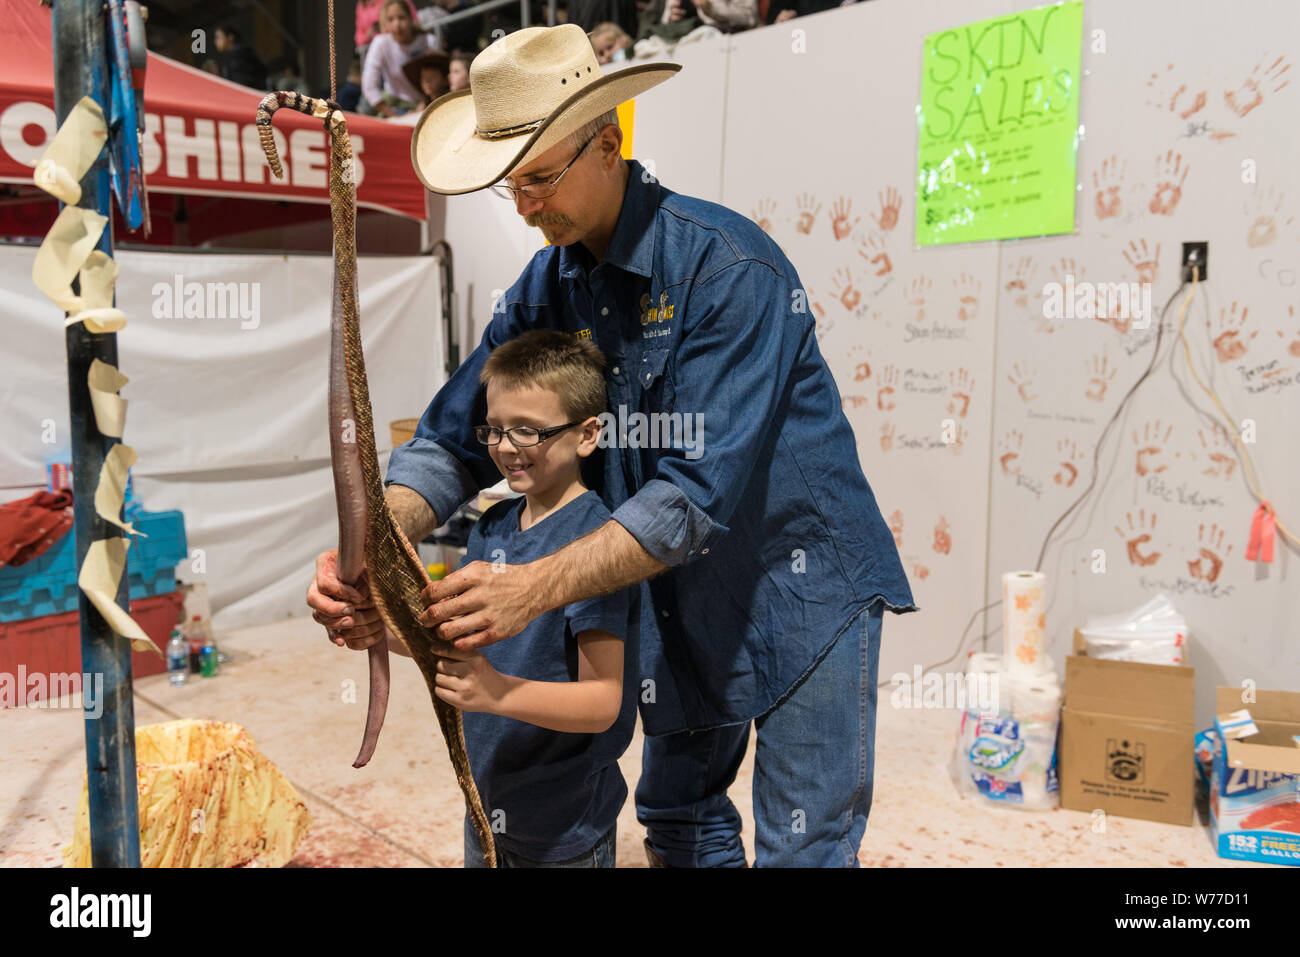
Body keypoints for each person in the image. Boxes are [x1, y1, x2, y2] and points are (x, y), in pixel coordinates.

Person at [308, 24, 915, 868]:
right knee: (681, 817)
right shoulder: (546, 287)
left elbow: (692, 496)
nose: (525, 207)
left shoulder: (728, 270)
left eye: (540, 179)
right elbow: (455, 437)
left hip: (797, 583)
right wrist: (379, 539)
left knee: (801, 846)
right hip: (676, 588)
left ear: (608, 141)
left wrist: (534, 586)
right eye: (508, 188)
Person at [397, 329, 635, 867]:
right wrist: (376, 627)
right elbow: (450, 635)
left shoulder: (596, 545)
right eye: (495, 429)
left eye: (527, 430)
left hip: (564, 829)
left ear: (587, 434)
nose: (505, 447)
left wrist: (496, 691)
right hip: (485, 803)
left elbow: (603, 702)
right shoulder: (494, 522)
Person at [362, 0, 442, 117]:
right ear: (385, 24)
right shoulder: (381, 43)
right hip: (396, 108)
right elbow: (369, 86)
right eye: (390, 19)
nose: (397, 25)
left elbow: (439, 79)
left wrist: (423, 104)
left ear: (411, 18)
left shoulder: (428, 41)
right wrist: (395, 117)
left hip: (428, 105)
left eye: (401, 18)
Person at [213, 24, 268, 90]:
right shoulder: (239, 53)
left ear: (230, 37)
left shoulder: (237, 55)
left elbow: (242, 82)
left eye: (218, 37)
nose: (216, 42)